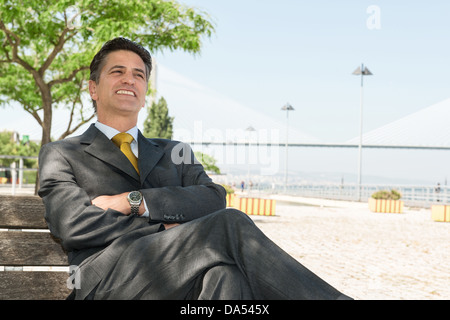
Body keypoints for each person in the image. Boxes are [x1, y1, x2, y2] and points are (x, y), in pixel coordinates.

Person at [38, 37, 351, 300]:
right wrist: (164, 228)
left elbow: (213, 199)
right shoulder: (61, 153)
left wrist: (133, 201)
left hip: (181, 275)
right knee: (228, 225)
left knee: (225, 276)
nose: (129, 80)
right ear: (93, 88)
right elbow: (72, 224)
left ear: (145, 94)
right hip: (109, 280)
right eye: (117, 72)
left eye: (139, 75)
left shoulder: (174, 151)